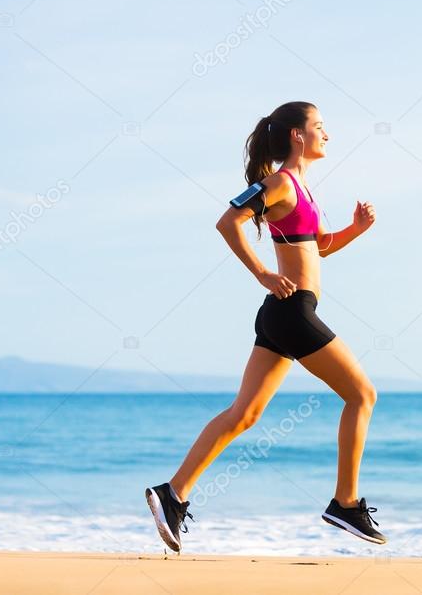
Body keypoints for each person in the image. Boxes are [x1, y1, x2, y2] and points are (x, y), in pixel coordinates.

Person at [145, 101, 385, 552]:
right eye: (319, 127)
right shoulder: (279, 182)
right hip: (291, 311)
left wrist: (355, 230)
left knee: (245, 414)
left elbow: (315, 249)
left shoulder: (302, 188)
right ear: (298, 135)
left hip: (283, 314)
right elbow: (227, 221)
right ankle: (345, 503)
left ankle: (172, 495)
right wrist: (262, 273)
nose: (326, 135)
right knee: (362, 394)